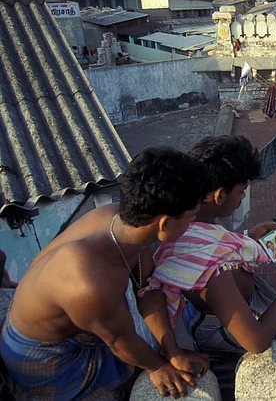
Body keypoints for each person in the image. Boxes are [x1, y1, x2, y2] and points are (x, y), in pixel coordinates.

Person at [1, 148, 211, 400]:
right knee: (130, 369)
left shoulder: (121, 222)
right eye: (191, 217)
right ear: (165, 224)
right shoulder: (90, 282)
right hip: (41, 355)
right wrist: (157, 366)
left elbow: (148, 287)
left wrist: (173, 349)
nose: (192, 223)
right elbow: (120, 342)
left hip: (75, 317)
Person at [150, 137, 276, 399]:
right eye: (241, 190)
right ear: (220, 195)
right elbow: (256, 341)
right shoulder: (214, 271)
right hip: (232, 318)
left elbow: (211, 243)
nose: (244, 196)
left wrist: (247, 236)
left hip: (223, 307)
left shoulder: (191, 221)